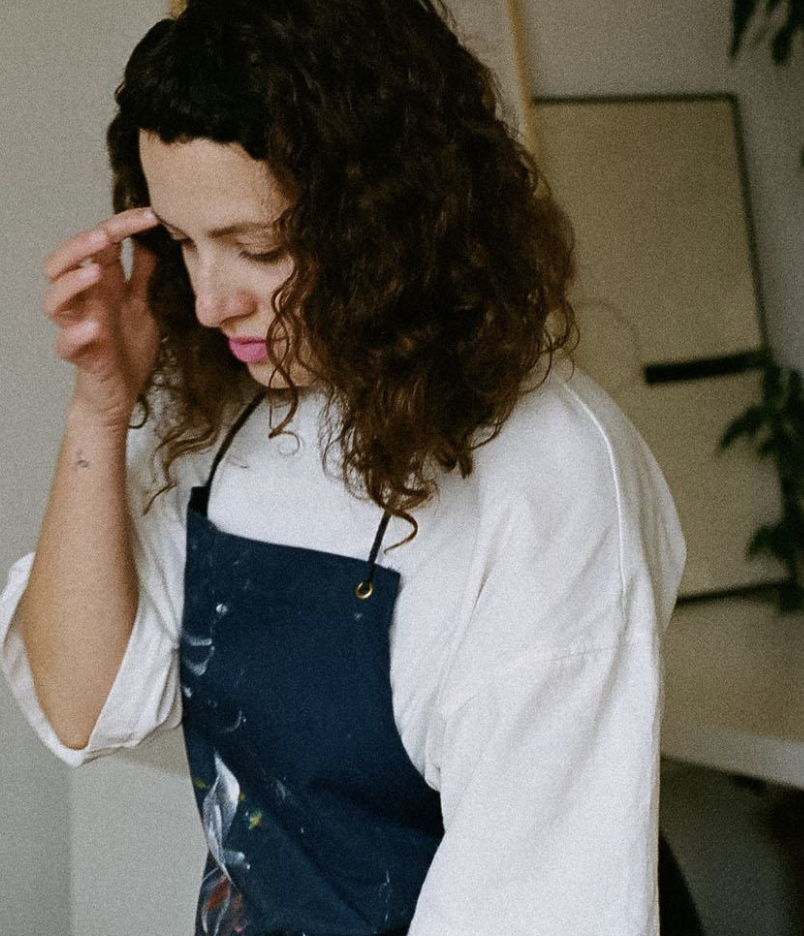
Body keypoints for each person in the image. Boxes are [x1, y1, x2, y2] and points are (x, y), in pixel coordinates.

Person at [0, 0, 686, 933]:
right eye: (181, 244)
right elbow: (82, 705)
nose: (207, 302)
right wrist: (101, 406)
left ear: (391, 221)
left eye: (258, 249)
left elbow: (537, 904)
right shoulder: (238, 414)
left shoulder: (551, 478)